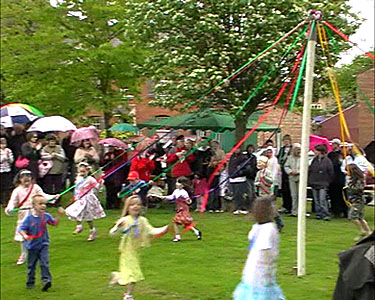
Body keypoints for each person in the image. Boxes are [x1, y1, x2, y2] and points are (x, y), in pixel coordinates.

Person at [109, 195, 169, 300]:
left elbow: (152, 231)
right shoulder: (125, 220)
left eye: (138, 204)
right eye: (132, 205)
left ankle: (117, 277)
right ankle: (128, 295)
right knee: (133, 272)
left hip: (136, 250)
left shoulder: (142, 220)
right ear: (127, 207)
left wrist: (167, 227)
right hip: (127, 250)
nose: (136, 206)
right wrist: (117, 228)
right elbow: (112, 234)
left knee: (130, 271)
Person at [233, 197, 285, 300]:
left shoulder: (257, 227)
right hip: (261, 274)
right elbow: (264, 251)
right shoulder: (269, 228)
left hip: (251, 272)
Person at [4, 169, 58, 265]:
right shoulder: (17, 190)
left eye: (28, 177)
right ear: (20, 179)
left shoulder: (35, 187)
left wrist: (53, 197)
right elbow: (12, 202)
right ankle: (23, 254)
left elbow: (43, 196)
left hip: (35, 213)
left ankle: (38, 252)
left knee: (36, 233)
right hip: (23, 214)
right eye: (24, 177)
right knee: (23, 234)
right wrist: (10, 208)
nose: (26, 179)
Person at [18, 195, 64, 291]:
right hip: (32, 247)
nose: (43, 206)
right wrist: (25, 236)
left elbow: (54, 223)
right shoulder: (29, 218)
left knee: (44, 263)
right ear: (34, 205)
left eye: (44, 204)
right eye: (40, 204)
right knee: (31, 266)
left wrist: (59, 215)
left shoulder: (46, 216)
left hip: (44, 245)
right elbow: (21, 229)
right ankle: (30, 282)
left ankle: (46, 281)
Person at [65, 162, 106, 241]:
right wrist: (76, 196)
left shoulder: (91, 179)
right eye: (81, 171)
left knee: (88, 217)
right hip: (80, 199)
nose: (82, 173)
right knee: (76, 212)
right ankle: (79, 226)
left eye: (84, 172)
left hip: (88, 199)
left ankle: (92, 230)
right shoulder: (78, 178)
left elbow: (98, 189)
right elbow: (77, 189)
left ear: (88, 171)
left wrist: (100, 182)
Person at [154, 176, 202, 242]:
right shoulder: (176, 191)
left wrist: (186, 199)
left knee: (175, 222)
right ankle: (197, 232)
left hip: (183, 208)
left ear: (182, 185)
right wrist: (161, 197)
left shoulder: (183, 192)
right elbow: (171, 197)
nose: (176, 184)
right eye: (176, 182)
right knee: (185, 224)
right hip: (179, 208)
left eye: (178, 183)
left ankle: (177, 236)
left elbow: (188, 201)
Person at [255, 156, 284, 232]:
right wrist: (258, 183)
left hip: (268, 192)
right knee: (262, 209)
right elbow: (256, 181)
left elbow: (271, 181)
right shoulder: (259, 173)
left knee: (272, 208)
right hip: (261, 192)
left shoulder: (267, 172)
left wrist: (265, 178)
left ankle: (279, 222)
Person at [346, 164, 372, 241]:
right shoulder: (352, 180)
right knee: (360, 218)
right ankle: (368, 232)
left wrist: (350, 187)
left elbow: (359, 189)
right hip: (354, 200)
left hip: (358, 201)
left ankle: (363, 230)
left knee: (353, 216)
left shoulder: (359, 180)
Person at [308, 144, 334, 221]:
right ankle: (318, 213)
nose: (314, 152)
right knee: (316, 200)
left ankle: (325, 214)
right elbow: (311, 170)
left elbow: (331, 172)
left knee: (322, 199)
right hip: (314, 182)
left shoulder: (327, 161)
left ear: (320, 151)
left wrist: (327, 181)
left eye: (316, 150)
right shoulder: (314, 160)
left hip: (323, 183)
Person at [101, 145, 126, 209]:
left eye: (112, 147)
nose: (110, 148)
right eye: (109, 147)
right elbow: (102, 164)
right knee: (109, 190)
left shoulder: (120, 153)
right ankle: (109, 204)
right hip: (108, 174)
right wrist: (106, 159)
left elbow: (122, 163)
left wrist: (114, 159)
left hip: (117, 174)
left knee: (116, 189)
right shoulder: (107, 154)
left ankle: (116, 204)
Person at [228, 147, 252, 215]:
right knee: (235, 194)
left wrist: (240, 172)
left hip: (240, 179)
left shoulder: (243, 158)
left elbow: (247, 168)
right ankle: (237, 207)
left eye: (237, 148)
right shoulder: (232, 157)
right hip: (232, 179)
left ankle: (242, 208)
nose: (236, 150)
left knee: (240, 194)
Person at [327, 139, 347, 218]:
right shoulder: (330, 154)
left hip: (340, 177)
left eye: (334, 144)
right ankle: (335, 210)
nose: (333, 145)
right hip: (332, 178)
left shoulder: (342, 154)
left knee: (341, 195)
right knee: (333, 195)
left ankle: (343, 210)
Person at [284, 143, 301, 216]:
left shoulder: (303, 158)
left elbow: (306, 167)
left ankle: (301, 211)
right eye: (296, 149)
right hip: (292, 177)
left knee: (300, 195)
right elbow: (286, 166)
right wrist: (290, 172)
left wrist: (298, 172)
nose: (298, 151)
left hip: (300, 177)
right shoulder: (289, 158)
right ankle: (294, 211)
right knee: (294, 195)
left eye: (299, 149)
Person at [277, 135, 293, 214]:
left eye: (287, 140)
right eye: (284, 140)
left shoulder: (292, 149)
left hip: (290, 171)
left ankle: (291, 206)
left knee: (290, 190)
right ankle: (285, 206)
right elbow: (279, 158)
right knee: (284, 189)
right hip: (283, 171)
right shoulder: (282, 149)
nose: (286, 142)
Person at [0, 137, 14, 205]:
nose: (3, 146)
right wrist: (3, 158)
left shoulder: (8, 150)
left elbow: (11, 160)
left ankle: (7, 201)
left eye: (5, 144)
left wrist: (8, 157)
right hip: (1, 170)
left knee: (7, 186)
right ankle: (2, 201)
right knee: (1, 186)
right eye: (2, 144)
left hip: (7, 170)